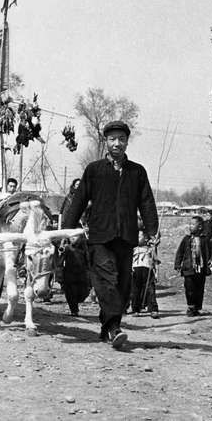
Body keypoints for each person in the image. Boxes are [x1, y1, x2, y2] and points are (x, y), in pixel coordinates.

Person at [61, 120, 158, 349]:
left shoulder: (137, 171)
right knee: (106, 281)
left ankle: (106, 327)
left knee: (123, 285)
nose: (117, 143)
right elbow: (79, 200)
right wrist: (66, 229)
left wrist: (153, 230)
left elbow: (146, 202)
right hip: (99, 236)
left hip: (126, 235)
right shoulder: (94, 170)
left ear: (127, 142)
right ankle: (115, 328)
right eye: (113, 139)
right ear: (106, 141)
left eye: (121, 139)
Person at [175, 215, 211, 316]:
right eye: (189, 224)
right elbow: (180, 252)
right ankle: (190, 307)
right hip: (188, 268)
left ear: (200, 227)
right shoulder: (186, 239)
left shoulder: (204, 239)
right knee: (189, 288)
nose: (190, 226)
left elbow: (210, 251)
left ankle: (197, 308)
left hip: (201, 269)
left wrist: (211, 261)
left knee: (199, 289)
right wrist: (177, 264)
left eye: (193, 224)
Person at [58, 233, 90, 316]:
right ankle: (74, 310)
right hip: (69, 274)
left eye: (76, 236)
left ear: (80, 237)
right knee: (70, 293)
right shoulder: (67, 248)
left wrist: (89, 273)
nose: (73, 239)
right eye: (71, 236)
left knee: (83, 293)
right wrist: (60, 275)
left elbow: (88, 262)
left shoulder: (85, 248)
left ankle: (77, 304)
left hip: (82, 274)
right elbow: (61, 261)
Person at [131, 230, 160, 318]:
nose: (137, 238)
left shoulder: (150, 248)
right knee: (135, 290)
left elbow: (156, 262)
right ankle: (136, 309)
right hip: (136, 270)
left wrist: (156, 273)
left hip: (148, 270)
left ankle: (153, 309)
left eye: (140, 236)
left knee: (150, 289)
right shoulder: (133, 248)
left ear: (145, 238)